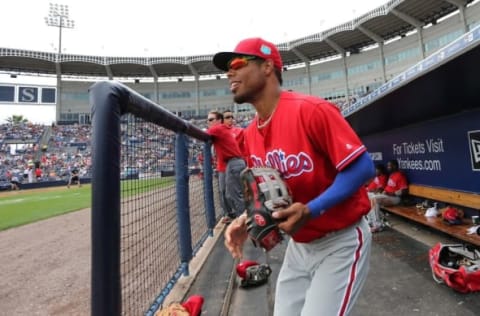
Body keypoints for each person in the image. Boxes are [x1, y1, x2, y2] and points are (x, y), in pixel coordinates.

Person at [213, 37, 375, 316]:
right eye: (227, 67)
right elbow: (268, 195)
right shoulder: (250, 135)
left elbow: (363, 168)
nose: (230, 72)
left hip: (341, 241)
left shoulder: (311, 110)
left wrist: (313, 209)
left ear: (267, 67)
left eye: (238, 63)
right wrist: (245, 221)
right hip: (300, 248)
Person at [206, 110, 246, 222]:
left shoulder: (217, 128)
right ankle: (241, 218)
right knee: (230, 194)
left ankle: (243, 221)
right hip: (233, 163)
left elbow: (203, 134)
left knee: (235, 195)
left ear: (219, 120)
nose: (208, 122)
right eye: (207, 120)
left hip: (234, 163)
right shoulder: (222, 129)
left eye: (210, 120)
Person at [367, 159, 408, 232]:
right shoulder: (392, 175)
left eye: (389, 166)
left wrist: (392, 193)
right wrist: (384, 192)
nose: (388, 167)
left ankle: (378, 225)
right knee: (370, 198)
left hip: (395, 198)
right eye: (388, 166)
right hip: (387, 195)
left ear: (395, 166)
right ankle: (371, 221)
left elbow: (404, 190)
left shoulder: (400, 175)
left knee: (375, 199)